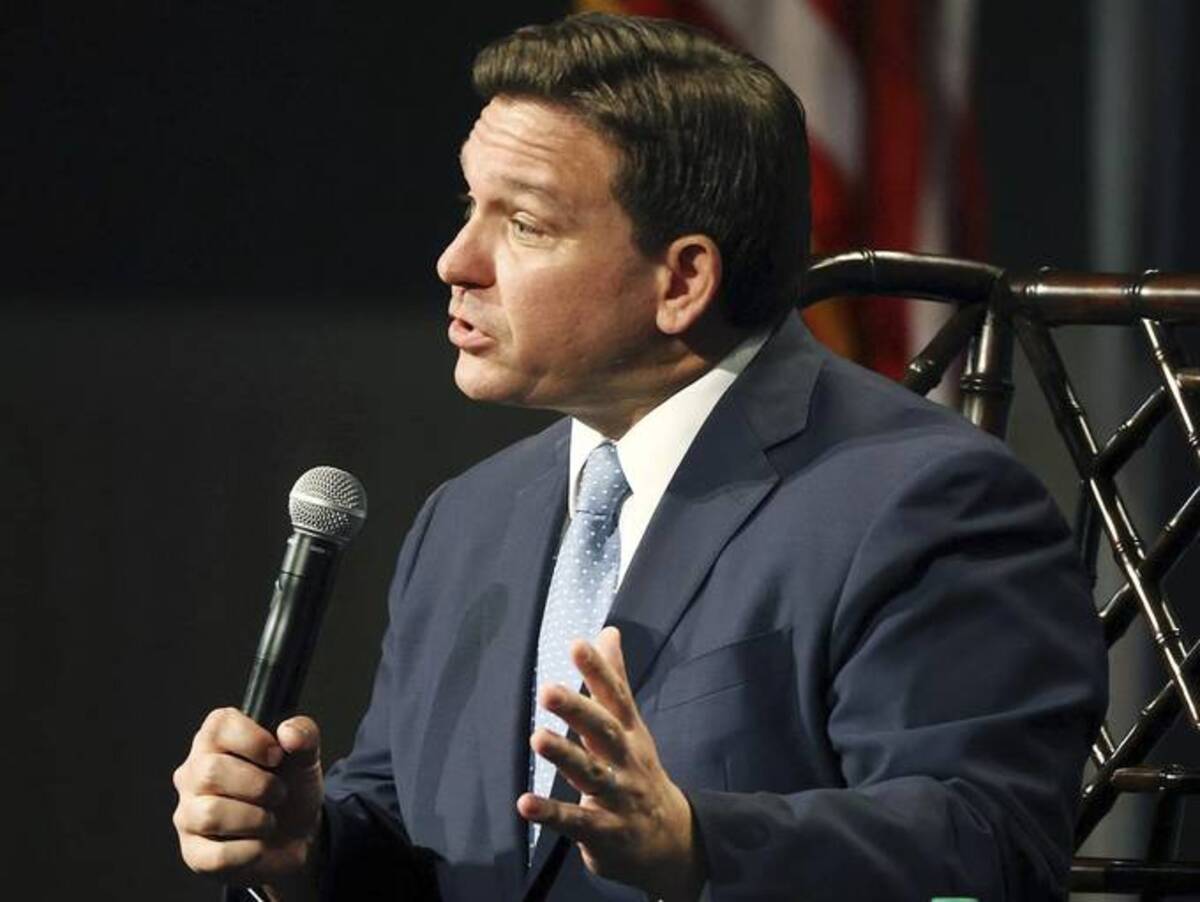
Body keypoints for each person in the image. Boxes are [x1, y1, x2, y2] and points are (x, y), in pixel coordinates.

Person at [172, 12, 1107, 901]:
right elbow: (427, 851)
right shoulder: (467, 519)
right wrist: (309, 851)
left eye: (526, 225)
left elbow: (987, 853)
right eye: (470, 206)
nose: (456, 260)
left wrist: (697, 845)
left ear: (682, 280)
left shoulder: (927, 502)